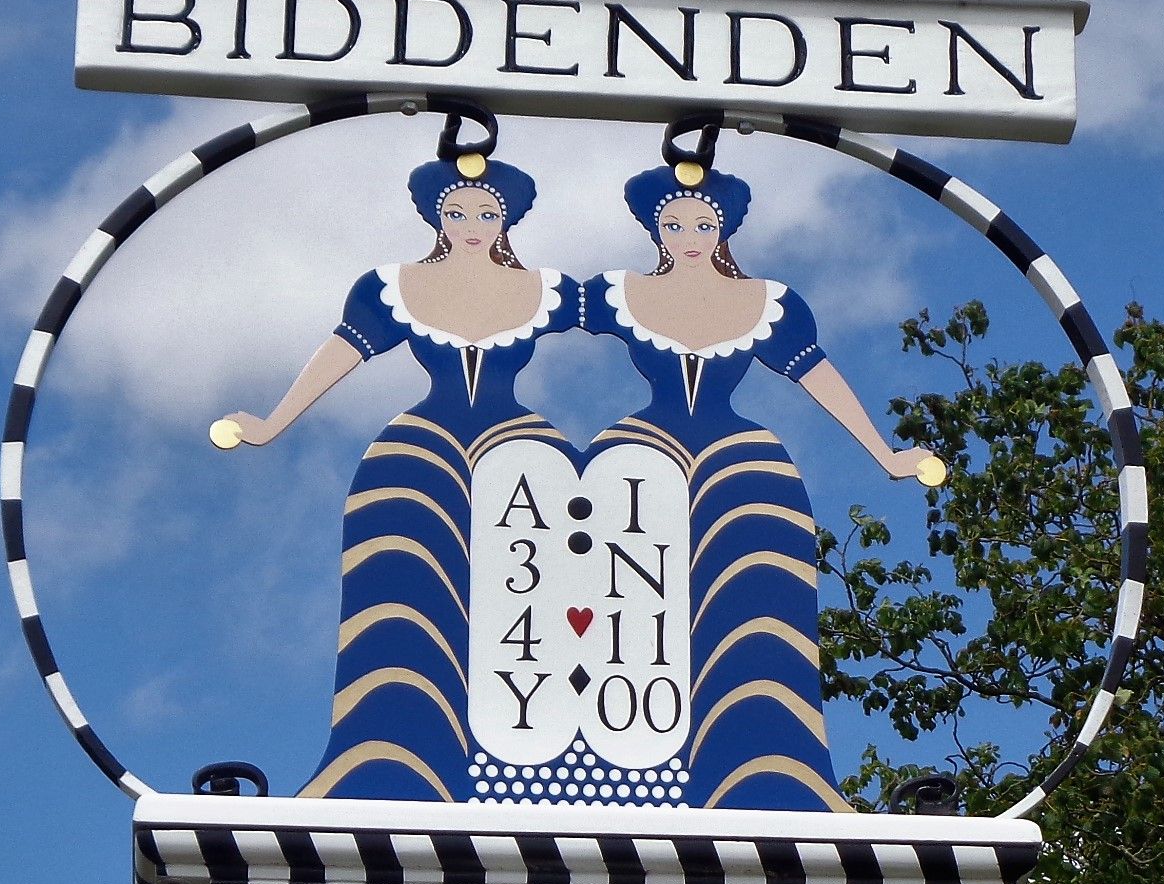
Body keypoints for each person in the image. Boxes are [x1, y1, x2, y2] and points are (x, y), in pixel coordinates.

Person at [215, 156, 582, 801]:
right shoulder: (396, 287)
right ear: (436, 218)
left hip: (522, 452)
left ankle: (541, 759)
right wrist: (273, 422)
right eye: (458, 213)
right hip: (420, 453)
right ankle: (388, 756)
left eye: (487, 213)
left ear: (508, 220)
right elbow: (342, 350)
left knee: (527, 600)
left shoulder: (548, 290)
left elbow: (647, 315)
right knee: (402, 596)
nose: (472, 225)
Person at [581, 163, 936, 813]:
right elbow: (519, 314)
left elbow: (816, 373)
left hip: (741, 464)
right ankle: (617, 760)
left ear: (722, 231)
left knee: (758, 607)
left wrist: (885, 454)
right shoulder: (616, 294)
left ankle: (770, 766)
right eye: (673, 224)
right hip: (639, 457)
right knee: (629, 604)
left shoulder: (766, 304)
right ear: (654, 231)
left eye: (702, 224)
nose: (688, 235)